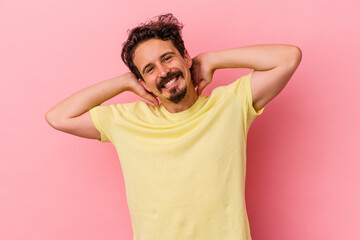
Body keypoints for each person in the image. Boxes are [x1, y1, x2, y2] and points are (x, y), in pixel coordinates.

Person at [46, 13, 301, 240]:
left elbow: (289, 57)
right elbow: (58, 117)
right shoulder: (126, 121)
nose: (164, 72)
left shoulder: (231, 104)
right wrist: (122, 82)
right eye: (149, 69)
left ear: (185, 57)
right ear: (143, 82)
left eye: (167, 58)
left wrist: (213, 59)